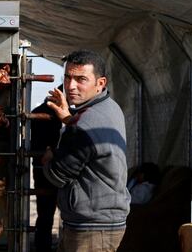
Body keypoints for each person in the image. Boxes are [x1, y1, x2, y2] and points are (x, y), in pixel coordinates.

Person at [43, 50, 131, 252]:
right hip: (104, 222)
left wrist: (48, 159)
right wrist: (68, 118)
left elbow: (58, 176)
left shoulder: (86, 125)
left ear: (100, 83)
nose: (71, 86)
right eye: (68, 78)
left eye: (81, 79)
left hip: (92, 230)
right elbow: (89, 143)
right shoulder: (109, 107)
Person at [30, 85, 63, 252]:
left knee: (45, 212)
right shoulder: (60, 115)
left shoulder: (37, 111)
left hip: (39, 166)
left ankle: (42, 246)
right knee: (57, 209)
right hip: (54, 165)